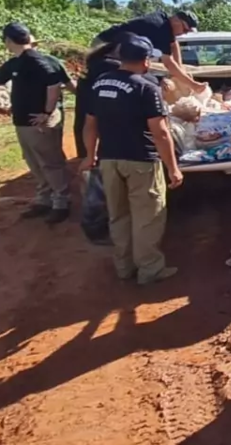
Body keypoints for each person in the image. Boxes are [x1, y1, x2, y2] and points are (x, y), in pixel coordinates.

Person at [82, 34, 184, 285]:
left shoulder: (101, 83)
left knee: (118, 215)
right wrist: (173, 168)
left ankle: (124, 267)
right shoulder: (146, 87)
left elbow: (90, 124)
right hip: (141, 161)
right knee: (147, 217)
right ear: (146, 61)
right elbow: (160, 133)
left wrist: (90, 155)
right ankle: (150, 270)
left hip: (109, 159)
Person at [0, 22, 72, 224]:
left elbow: (54, 84)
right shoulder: (14, 63)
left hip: (39, 121)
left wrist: (47, 112)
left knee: (50, 162)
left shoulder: (37, 60)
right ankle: (44, 199)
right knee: (33, 161)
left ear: (8, 41)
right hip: (23, 120)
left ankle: (61, 202)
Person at [75, 48, 122, 246]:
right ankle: (97, 230)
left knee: (93, 181)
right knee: (98, 186)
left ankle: (96, 227)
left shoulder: (95, 66)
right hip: (98, 133)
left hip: (87, 129)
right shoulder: (108, 68)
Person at [93, 10, 202, 93]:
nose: (185, 33)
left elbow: (173, 44)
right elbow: (168, 64)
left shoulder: (164, 21)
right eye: (185, 29)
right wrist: (194, 85)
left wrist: (181, 69)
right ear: (176, 20)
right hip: (105, 47)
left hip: (115, 48)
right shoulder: (160, 29)